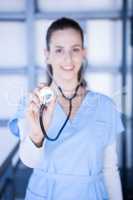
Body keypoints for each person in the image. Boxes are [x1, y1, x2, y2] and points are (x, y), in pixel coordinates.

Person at [9, 17, 124, 200]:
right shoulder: (32, 103)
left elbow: (110, 169)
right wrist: (37, 135)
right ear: (47, 55)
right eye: (59, 50)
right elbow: (30, 161)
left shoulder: (105, 106)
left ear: (83, 53)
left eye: (75, 49)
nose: (68, 58)